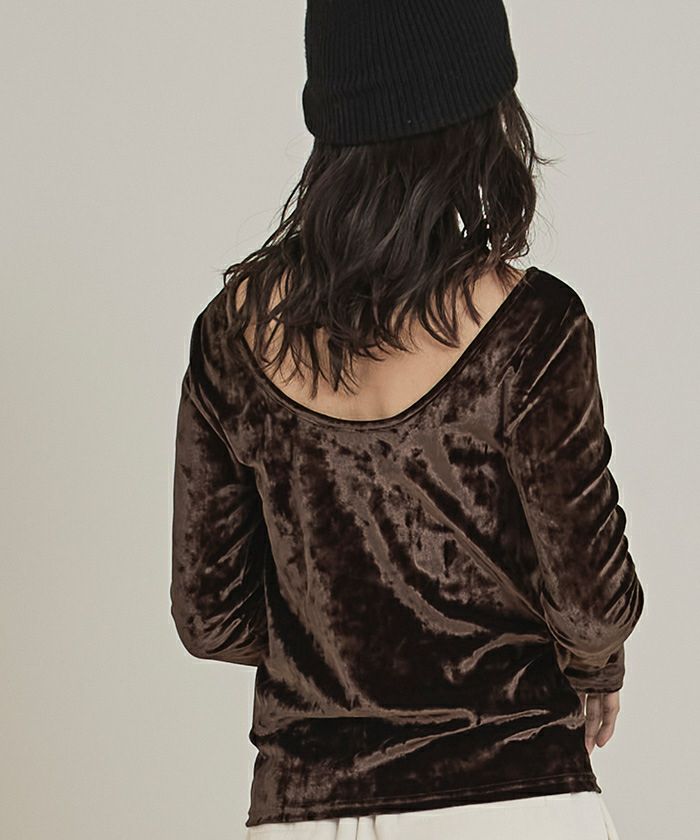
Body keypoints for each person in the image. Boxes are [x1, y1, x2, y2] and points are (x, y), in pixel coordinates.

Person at [170, 1, 645, 838]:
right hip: (512, 797)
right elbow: (590, 607)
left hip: (305, 808)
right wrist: (596, 669)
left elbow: (210, 616)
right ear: (482, 119)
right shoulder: (531, 328)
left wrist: (334, 652)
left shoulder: (232, 333)